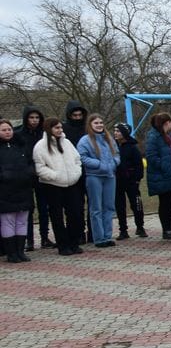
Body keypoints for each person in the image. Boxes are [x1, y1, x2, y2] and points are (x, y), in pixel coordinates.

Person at [33, 118, 84, 256]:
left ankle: (74, 242)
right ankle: (63, 245)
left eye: (61, 127)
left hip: (71, 183)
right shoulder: (40, 146)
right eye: (56, 128)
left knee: (74, 214)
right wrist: (55, 176)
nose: (60, 130)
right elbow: (40, 167)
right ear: (49, 129)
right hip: (52, 185)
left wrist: (75, 173)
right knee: (57, 217)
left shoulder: (67, 142)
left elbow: (77, 159)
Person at [76, 114, 119, 248]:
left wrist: (113, 163)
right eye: (96, 123)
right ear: (90, 125)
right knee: (96, 208)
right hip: (94, 176)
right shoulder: (85, 140)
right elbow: (82, 157)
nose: (99, 125)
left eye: (101, 122)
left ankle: (107, 236)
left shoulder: (108, 138)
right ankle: (99, 238)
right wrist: (99, 164)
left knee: (109, 206)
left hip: (110, 176)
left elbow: (116, 154)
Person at [0, 119, 36, 263]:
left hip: (23, 188)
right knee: (8, 222)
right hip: (5, 191)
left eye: (9, 129)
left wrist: (29, 173)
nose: (7, 132)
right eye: (4, 130)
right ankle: (11, 253)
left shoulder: (20, 145)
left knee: (22, 221)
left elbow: (30, 162)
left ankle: (20, 251)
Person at [16, 105, 51, 250]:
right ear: (26, 118)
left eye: (37, 117)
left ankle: (44, 237)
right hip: (26, 175)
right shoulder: (18, 134)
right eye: (31, 117)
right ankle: (29, 240)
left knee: (44, 208)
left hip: (42, 174)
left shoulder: (44, 133)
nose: (34, 120)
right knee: (28, 209)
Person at [145, 112, 171, 240]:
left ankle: (170, 227)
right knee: (165, 203)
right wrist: (166, 167)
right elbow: (151, 157)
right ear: (167, 123)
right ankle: (166, 229)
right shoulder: (153, 137)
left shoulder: (168, 136)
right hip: (162, 176)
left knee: (170, 203)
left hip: (170, 175)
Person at [113, 123, 147, 240]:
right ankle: (123, 230)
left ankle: (140, 227)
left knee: (136, 204)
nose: (116, 133)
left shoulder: (132, 147)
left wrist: (137, 179)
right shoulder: (113, 146)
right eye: (115, 131)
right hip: (117, 181)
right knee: (119, 205)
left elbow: (139, 165)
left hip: (131, 181)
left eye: (119, 131)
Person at [64, 101, 90, 243]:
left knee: (93, 203)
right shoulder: (65, 129)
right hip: (73, 170)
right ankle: (78, 232)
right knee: (75, 205)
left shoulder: (87, 128)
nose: (78, 117)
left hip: (89, 170)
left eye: (80, 115)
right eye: (75, 115)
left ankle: (92, 233)